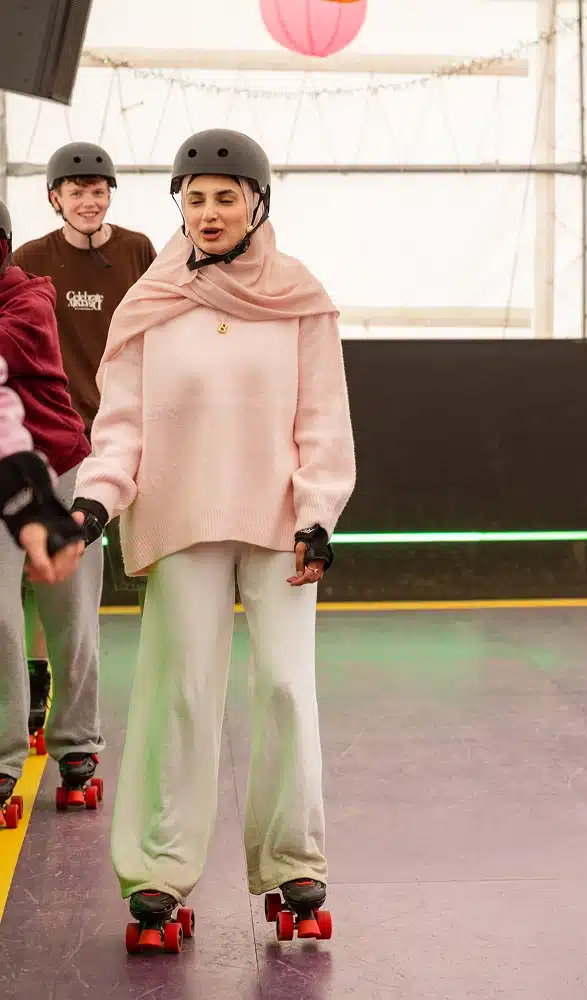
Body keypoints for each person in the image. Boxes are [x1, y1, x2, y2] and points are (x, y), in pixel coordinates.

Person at [70, 128, 356, 951]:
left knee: (284, 690)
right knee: (180, 692)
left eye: (225, 196)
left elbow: (322, 421)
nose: (208, 212)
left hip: (278, 523)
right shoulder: (151, 303)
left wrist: (318, 513)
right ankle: (159, 869)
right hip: (181, 514)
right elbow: (120, 427)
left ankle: (293, 860)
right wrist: (95, 501)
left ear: (257, 203)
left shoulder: (300, 296)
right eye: (194, 197)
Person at [11, 142, 157, 740]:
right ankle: (39, 675)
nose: (90, 201)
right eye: (77, 193)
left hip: (126, 426)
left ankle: (165, 669)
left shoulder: (137, 251)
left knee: (150, 554)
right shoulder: (30, 259)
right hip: (59, 437)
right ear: (55, 200)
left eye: (99, 191)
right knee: (50, 568)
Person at [0, 198, 89, 829]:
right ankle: (4, 759)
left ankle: (77, 746)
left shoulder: (30, 300)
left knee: (70, 619)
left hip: (56, 467)